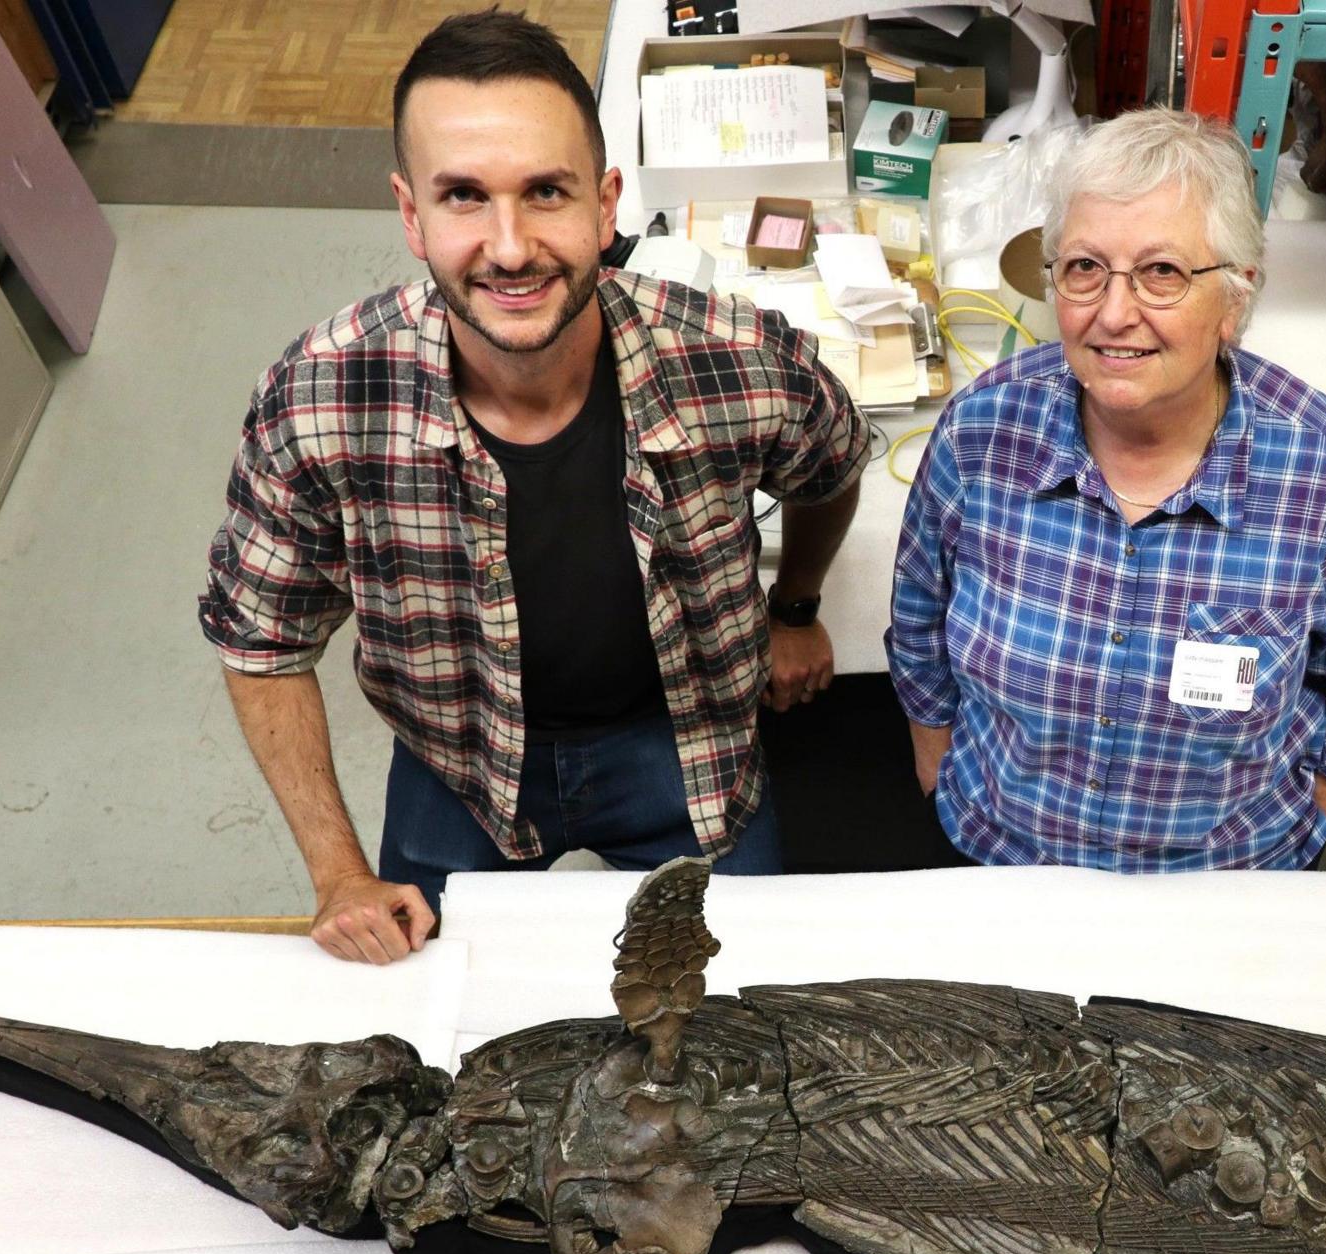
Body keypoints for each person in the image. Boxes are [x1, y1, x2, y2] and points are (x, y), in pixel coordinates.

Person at [201, 12, 864, 963]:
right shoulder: (317, 403)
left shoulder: (736, 360)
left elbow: (832, 468)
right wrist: (340, 872)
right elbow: (260, 643)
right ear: (410, 214)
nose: (509, 249)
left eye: (545, 192)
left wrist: (793, 607)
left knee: (747, 1009)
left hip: (682, 746)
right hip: (457, 762)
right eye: (464, 197)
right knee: (426, 1035)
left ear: (605, 206)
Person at [886, 108, 1326, 871]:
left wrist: (1308, 824)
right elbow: (918, 624)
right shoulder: (981, 434)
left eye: (1162, 272)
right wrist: (938, 772)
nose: (1113, 313)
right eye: (1084, 268)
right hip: (1005, 860)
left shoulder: (1325, 474)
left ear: (1234, 300)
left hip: (1222, 883)